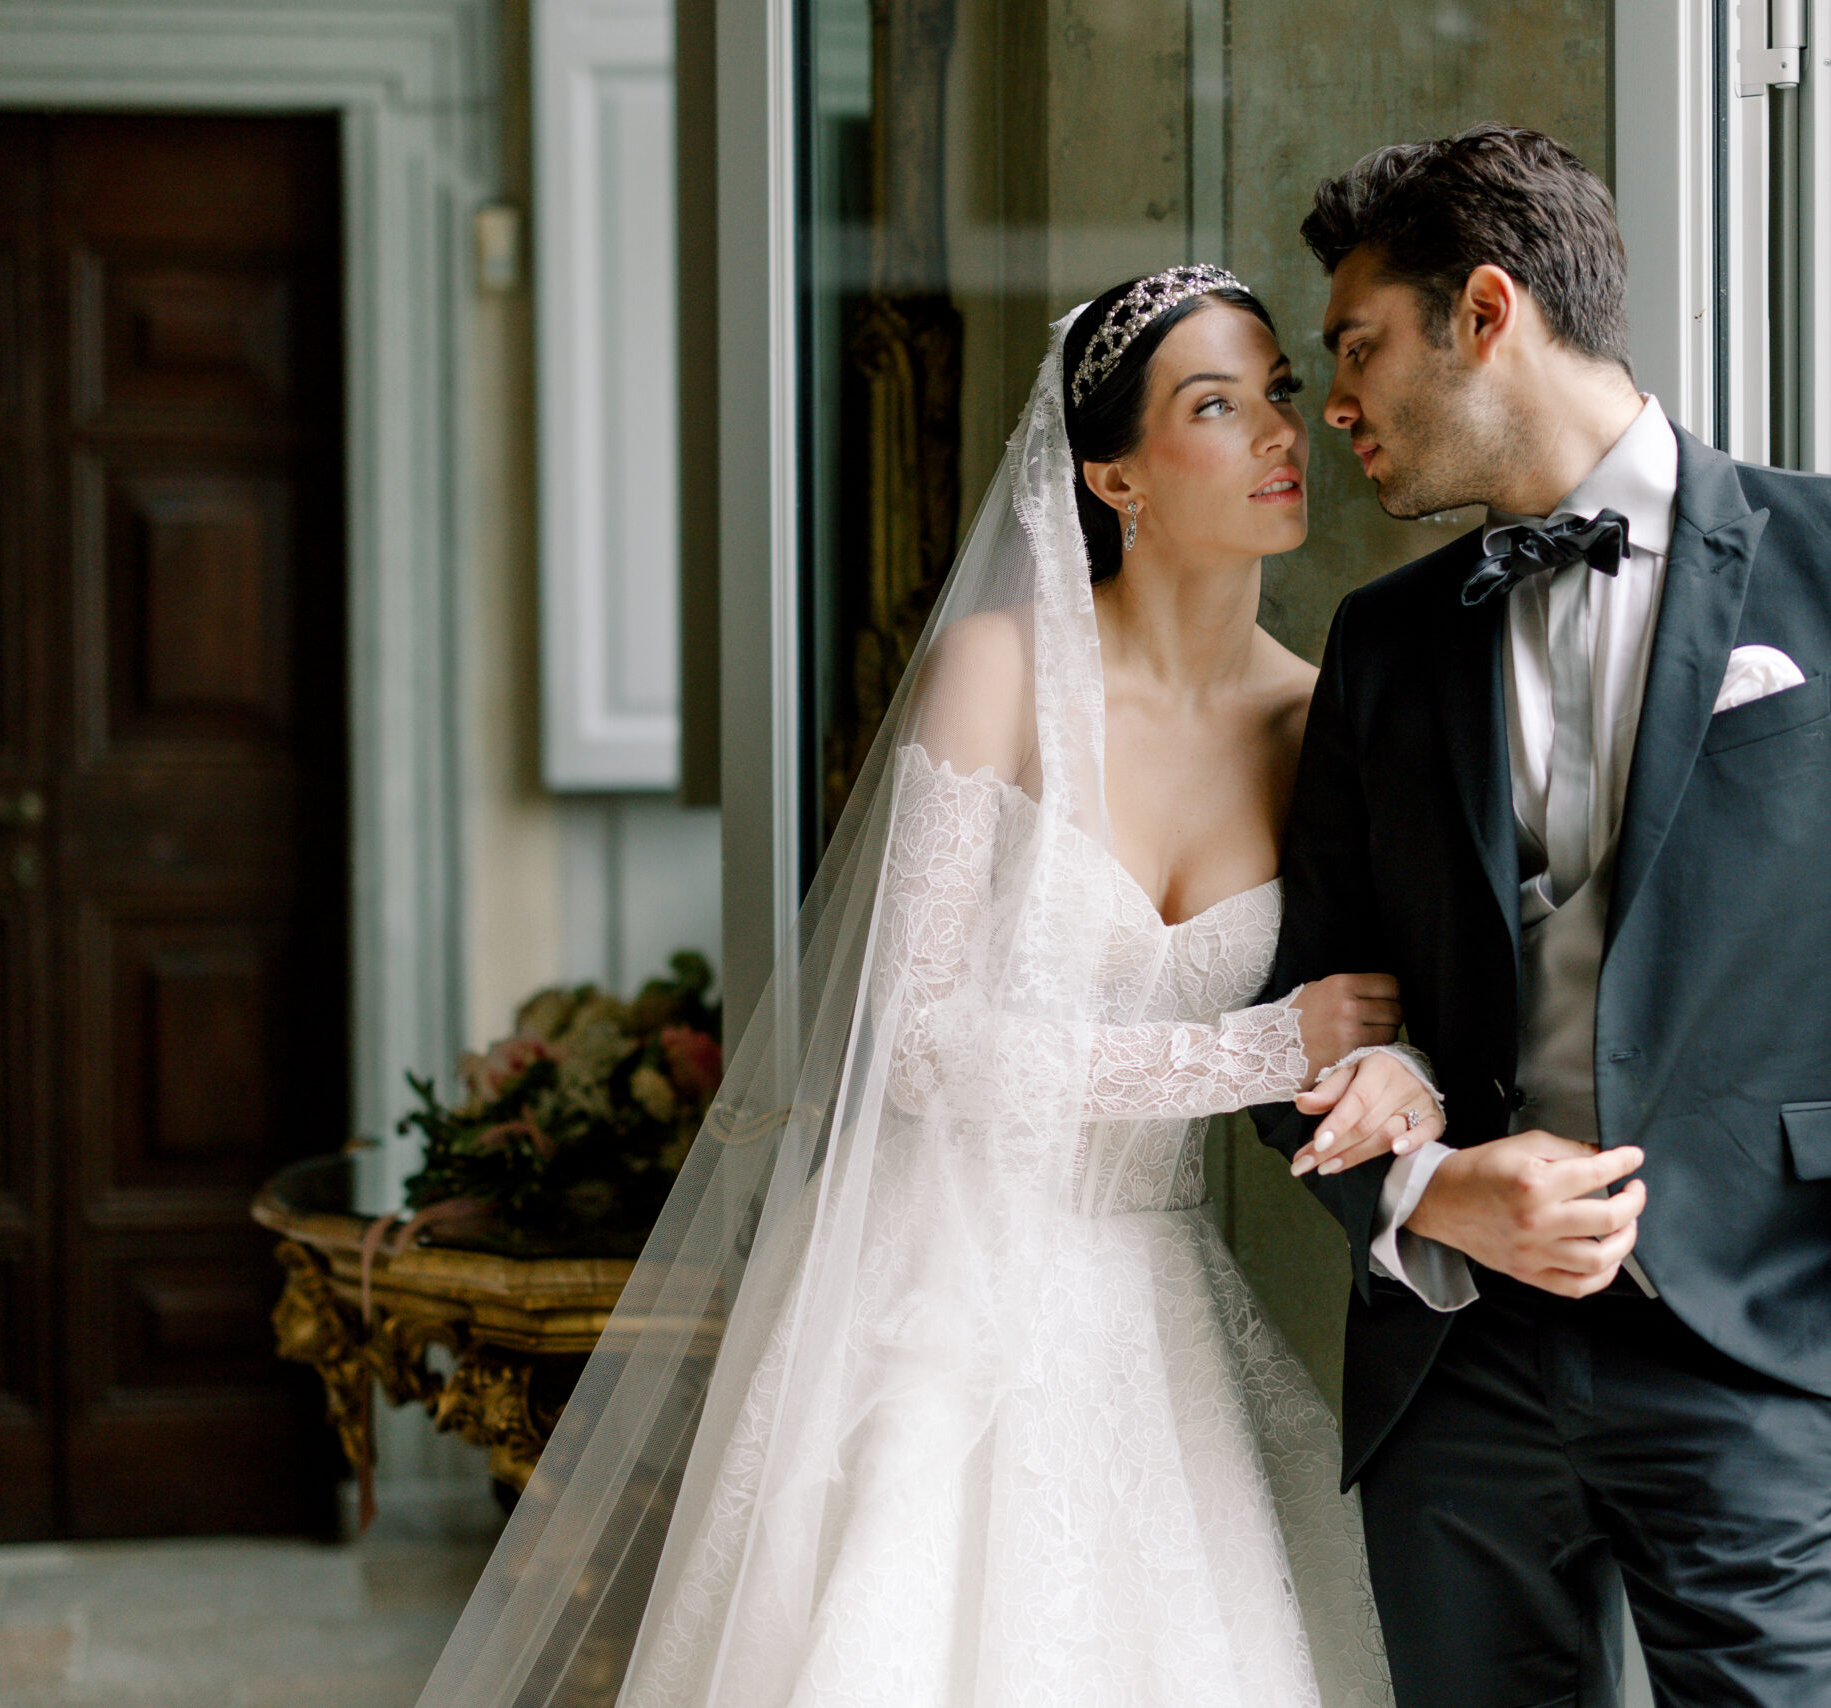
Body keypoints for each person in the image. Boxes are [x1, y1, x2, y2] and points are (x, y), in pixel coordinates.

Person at [415, 269, 1421, 1707]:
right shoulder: (995, 670)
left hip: (1151, 1302)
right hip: (938, 1292)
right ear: (1113, 474)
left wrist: (1395, 1071)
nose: (1279, 430)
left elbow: (1403, 1004)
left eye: (1275, 390)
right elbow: (925, 1042)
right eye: (1218, 403)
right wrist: (1251, 1050)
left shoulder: (1320, 720)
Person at [1255, 126, 1831, 1708]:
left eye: (1358, 349)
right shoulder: (1380, 648)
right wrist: (1432, 1192)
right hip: (1461, 1393)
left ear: (1486, 312)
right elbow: (1306, 1010)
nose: (1340, 408)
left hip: (1767, 1372)